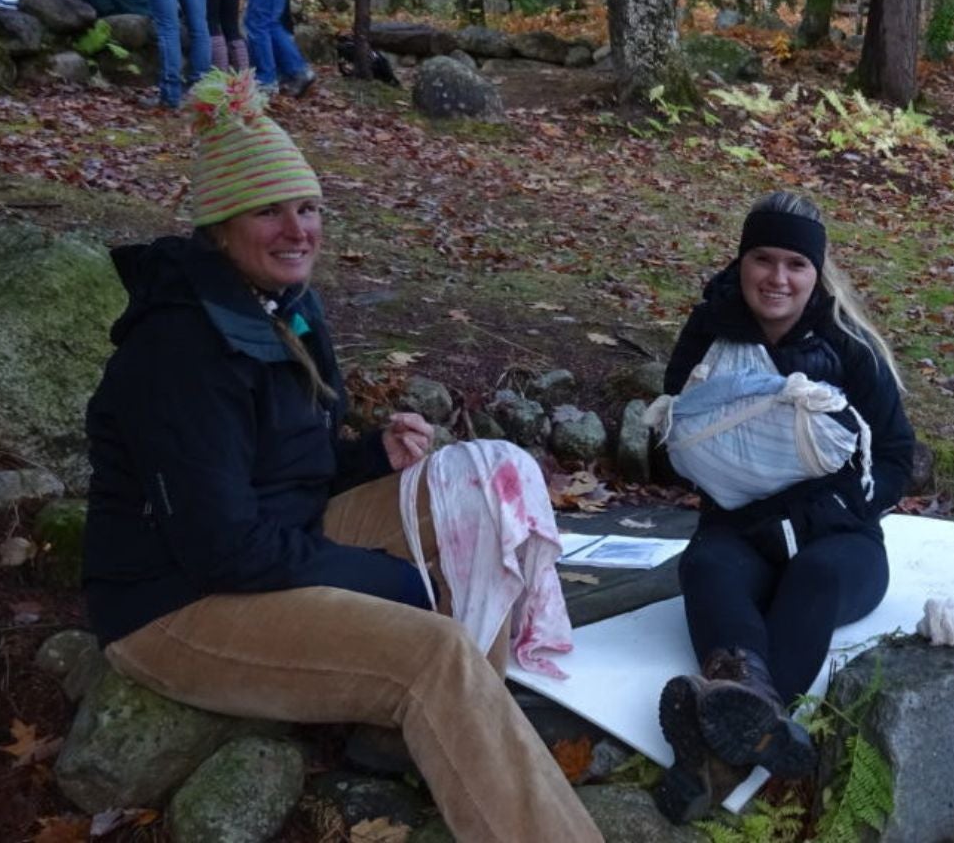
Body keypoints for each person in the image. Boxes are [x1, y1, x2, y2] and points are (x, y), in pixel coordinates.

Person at [82, 71, 601, 841]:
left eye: (308, 207)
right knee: (435, 653)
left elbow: (287, 468)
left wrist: (367, 459)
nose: (298, 230)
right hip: (176, 605)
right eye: (269, 211)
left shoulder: (282, 306)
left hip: (275, 541)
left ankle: (428, 738)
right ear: (219, 227)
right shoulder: (179, 350)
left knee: (487, 492)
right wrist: (391, 584)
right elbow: (219, 545)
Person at [652, 191, 915, 823]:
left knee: (815, 576)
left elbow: (899, 458)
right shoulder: (709, 336)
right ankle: (752, 719)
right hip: (740, 531)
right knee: (705, 566)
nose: (777, 278)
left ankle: (708, 758)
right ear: (740, 262)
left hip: (839, 542)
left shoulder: (849, 348)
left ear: (816, 273)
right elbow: (673, 444)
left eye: (796, 264)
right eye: (763, 259)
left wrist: (824, 509)